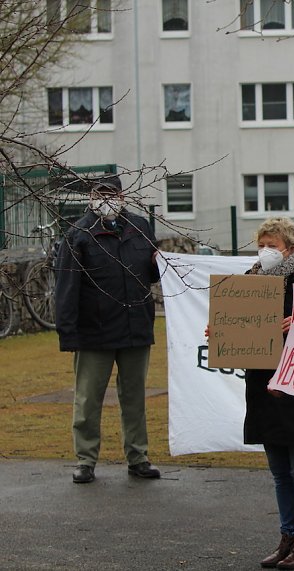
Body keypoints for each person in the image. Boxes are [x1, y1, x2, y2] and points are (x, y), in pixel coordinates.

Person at [205, 218, 294, 569]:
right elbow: (242, 328)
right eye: (261, 245)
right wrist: (221, 331)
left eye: (272, 245)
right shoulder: (249, 281)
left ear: (292, 247)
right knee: (280, 472)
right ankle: (287, 537)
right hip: (262, 386)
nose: (265, 251)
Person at [54, 175, 161, 484]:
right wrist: (68, 333)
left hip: (135, 328)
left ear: (122, 196)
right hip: (94, 333)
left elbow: (152, 274)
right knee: (88, 400)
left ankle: (138, 457)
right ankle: (85, 459)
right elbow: (66, 287)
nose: (106, 199)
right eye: (100, 194)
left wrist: (158, 263)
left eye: (111, 194)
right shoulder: (78, 235)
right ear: (90, 197)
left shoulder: (140, 227)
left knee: (134, 398)